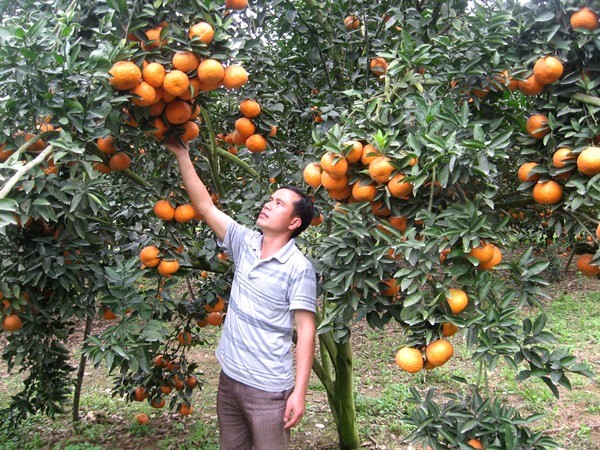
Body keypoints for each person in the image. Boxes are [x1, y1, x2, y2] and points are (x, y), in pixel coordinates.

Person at [165, 137, 318, 450]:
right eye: (270, 199)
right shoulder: (244, 243)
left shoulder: (298, 268)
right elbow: (204, 207)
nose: (268, 204)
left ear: (294, 222)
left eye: (279, 203)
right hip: (230, 377)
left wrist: (299, 393)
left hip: (268, 390)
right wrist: (182, 154)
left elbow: (306, 331)